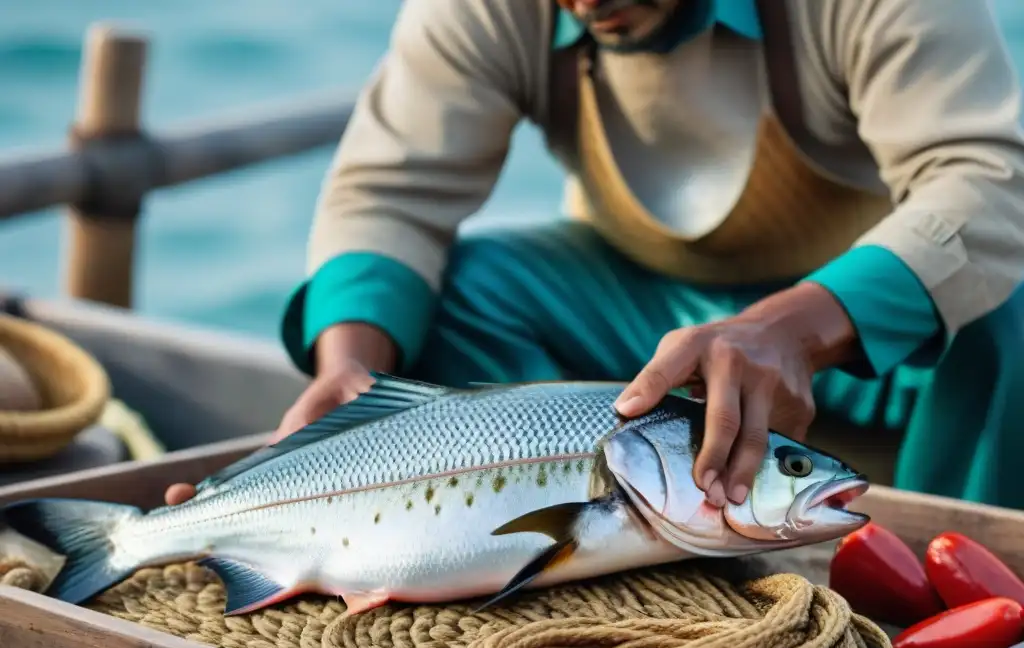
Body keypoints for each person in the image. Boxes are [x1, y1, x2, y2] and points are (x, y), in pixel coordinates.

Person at [166, 0, 1024, 511]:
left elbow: (987, 182)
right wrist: (351, 370)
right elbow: (390, 192)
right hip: (643, 328)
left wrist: (787, 329)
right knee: (454, 297)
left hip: (875, 344)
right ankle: (572, 545)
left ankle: (956, 575)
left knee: (1006, 294)